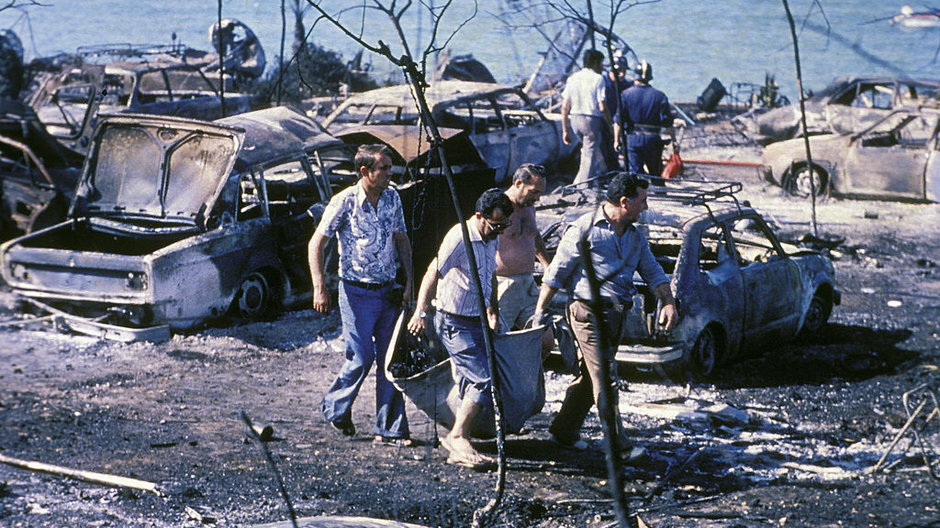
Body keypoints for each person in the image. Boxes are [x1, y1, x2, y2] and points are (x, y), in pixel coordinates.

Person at [532, 171, 678, 452]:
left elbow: (652, 271)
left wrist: (668, 301)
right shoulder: (584, 229)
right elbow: (556, 273)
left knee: (590, 378)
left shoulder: (635, 236)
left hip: (616, 315)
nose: (646, 208)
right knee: (606, 379)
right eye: (643, 201)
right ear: (625, 201)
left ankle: (563, 432)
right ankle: (618, 446)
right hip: (587, 313)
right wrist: (541, 312)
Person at [309, 144, 414, 446]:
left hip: (388, 291)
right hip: (356, 292)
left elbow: (402, 239)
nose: (390, 173)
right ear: (365, 171)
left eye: (390, 167)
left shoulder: (393, 197)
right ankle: (335, 407)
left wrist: (408, 283)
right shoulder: (344, 201)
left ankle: (391, 429)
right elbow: (317, 243)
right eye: (383, 168)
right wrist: (319, 286)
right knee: (361, 357)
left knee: (391, 360)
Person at [406, 188, 514, 469]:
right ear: (479, 216)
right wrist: (421, 312)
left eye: (504, 226)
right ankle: (458, 437)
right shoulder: (459, 237)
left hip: (476, 319)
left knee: (470, 379)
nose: (500, 231)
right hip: (453, 321)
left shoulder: (491, 237)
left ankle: (459, 435)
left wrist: (493, 310)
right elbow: (433, 272)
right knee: (482, 379)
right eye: (495, 225)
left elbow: (489, 274)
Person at [496, 163, 550, 333]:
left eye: (540, 193)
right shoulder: (497, 208)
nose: (537, 198)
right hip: (504, 284)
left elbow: (534, 236)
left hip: (527, 283)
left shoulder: (529, 206)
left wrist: (546, 264)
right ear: (518, 183)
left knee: (544, 339)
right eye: (533, 192)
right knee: (498, 340)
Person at [613, 60, 676, 176]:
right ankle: (660, 193)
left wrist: (616, 140)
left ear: (635, 77)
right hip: (653, 139)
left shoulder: (626, 94)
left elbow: (618, 120)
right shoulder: (659, 96)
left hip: (633, 139)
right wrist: (674, 140)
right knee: (655, 174)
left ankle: (640, 193)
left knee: (635, 175)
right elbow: (668, 122)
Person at [561, 49, 611, 187]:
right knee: (589, 154)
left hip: (574, 119)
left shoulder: (572, 78)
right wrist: (610, 124)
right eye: (601, 63)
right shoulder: (598, 78)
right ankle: (582, 186)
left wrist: (565, 130)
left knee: (586, 152)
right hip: (590, 119)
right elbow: (602, 107)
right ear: (595, 62)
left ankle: (584, 181)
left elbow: (565, 106)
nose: (602, 66)